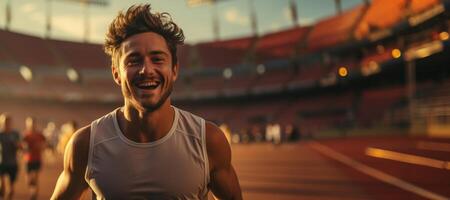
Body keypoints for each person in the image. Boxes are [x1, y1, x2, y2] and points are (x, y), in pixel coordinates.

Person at [51, 4, 242, 200]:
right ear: (116, 73)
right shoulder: (85, 144)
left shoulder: (208, 141)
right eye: (133, 61)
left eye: (157, 59)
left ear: (174, 69)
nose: (146, 70)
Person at [22, 117, 47, 200]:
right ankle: (32, 191)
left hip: (37, 159)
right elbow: (21, 146)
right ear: (27, 124)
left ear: (35, 124)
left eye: (33, 123)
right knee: (28, 181)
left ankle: (34, 195)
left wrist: (41, 146)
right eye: (29, 123)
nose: (31, 125)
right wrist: (24, 148)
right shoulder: (25, 134)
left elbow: (45, 144)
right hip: (28, 160)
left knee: (36, 179)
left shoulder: (40, 135)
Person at [0, 113, 21, 200]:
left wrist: (18, 145)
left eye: (8, 122)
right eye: (5, 122)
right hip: (2, 162)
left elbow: (21, 147)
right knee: (2, 185)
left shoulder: (15, 134)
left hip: (13, 163)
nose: (6, 124)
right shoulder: (0, 134)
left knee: (11, 188)